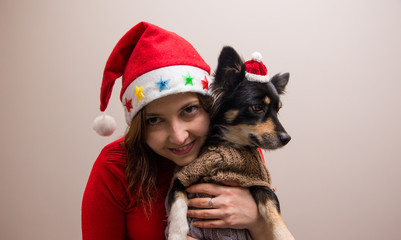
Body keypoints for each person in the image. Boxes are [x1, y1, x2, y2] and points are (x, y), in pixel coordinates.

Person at [82, 21, 273, 240]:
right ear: (138, 126)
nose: (179, 136)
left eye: (189, 110)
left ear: (209, 106)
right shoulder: (114, 167)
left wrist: (257, 220)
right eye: (154, 120)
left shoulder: (239, 151)